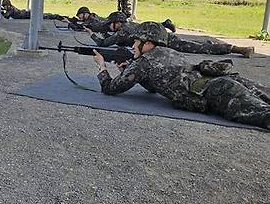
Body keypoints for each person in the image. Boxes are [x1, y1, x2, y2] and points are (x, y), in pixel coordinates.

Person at [93, 22, 270, 129]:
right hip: (224, 80)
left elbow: (110, 88)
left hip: (217, 91)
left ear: (147, 43)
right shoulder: (169, 52)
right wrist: (129, 72)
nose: (133, 46)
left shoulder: (144, 62)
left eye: (136, 42)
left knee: (264, 116)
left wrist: (102, 66)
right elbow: (156, 84)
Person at [91, 11, 254, 58]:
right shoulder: (129, 25)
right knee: (198, 47)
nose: (110, 28)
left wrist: (92, 34)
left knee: (200, 49)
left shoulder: (123, 31)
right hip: (162, 38)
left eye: (111, 25)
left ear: (117, 23)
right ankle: (215, 45)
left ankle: (239, 49)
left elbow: (103, 44)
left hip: (166, 42)